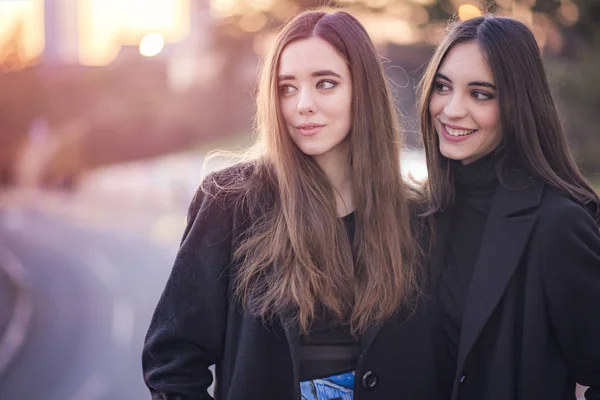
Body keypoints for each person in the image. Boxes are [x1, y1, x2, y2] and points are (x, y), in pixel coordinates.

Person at [143, 9, 442, 400]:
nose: (303, 104)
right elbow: (171, 360)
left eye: (325, 83)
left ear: (362, 89)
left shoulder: (416, 217)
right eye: (287, 88)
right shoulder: (230, 202)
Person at [417, 15, 600, 400]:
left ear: (518, 103)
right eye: (442, 87)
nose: (451, 110)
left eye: (480, 94)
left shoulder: (557, 224)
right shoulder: (423, 214)